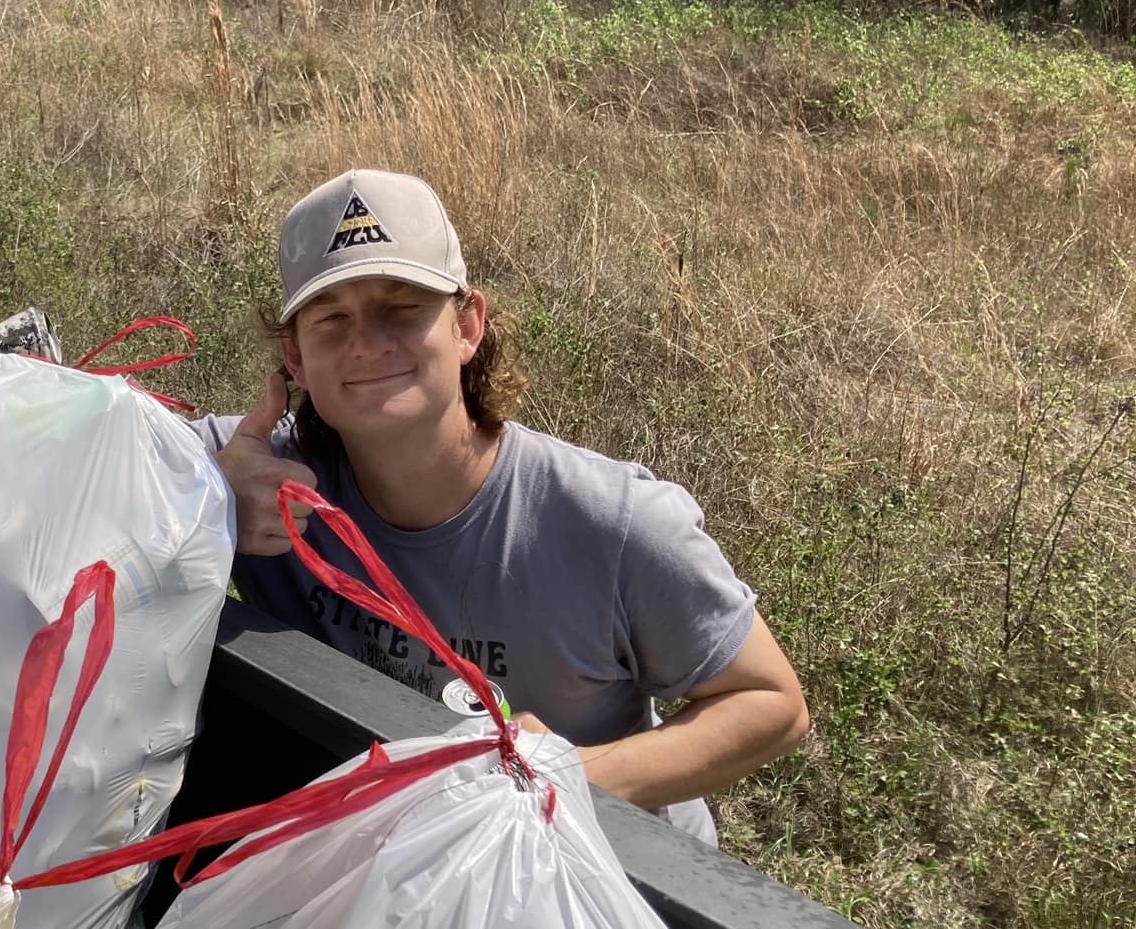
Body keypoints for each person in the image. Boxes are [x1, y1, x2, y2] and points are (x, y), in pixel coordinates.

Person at [199, 168, 808, 844]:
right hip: (395, 858)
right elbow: (80, 462)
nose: (366, 342)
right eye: (332, 318)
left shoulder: (612, 523)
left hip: (604, 879)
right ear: (295, 357)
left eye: (401, 308)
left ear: (468, 326)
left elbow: (771, 703)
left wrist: (574, 773)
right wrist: (201, 497)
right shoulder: (255, 474)